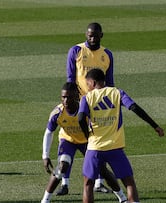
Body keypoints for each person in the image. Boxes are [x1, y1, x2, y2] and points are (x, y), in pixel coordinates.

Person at [78, 68, 164, 203]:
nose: (87, 87)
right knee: (129, 181)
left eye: (87, 84)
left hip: (95, 148)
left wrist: (87, 135)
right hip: (115, 147)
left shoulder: (87, 98)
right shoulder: (117, 93)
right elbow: (135, 108)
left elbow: (80, 117)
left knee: (88, 183)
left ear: (93, 83)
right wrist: (155, 126)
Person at [40, 82, 127, 203]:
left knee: (102, 169)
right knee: (62, 166)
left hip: (87, 141)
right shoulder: (57, 113)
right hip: (68, 140)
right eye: (63, 97)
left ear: (76, 96)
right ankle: (45, 200)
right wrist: (45, 156)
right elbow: (49, 132)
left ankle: (122, 197)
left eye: (68, 97)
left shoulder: (86, 108)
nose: (65, 100)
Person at [60, 22, 114, 195]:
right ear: (86, 34)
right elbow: (70, 78)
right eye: (89, 35)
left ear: (101, 35)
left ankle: (99, 182)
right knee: (70, 137)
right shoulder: (76, 51)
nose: (92, 38)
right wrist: (71, 100)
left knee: (98, 141)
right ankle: (64, 183)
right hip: (79, 104)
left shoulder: (107, 55)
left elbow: (110, 83)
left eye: (95, 35)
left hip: (98, 105)